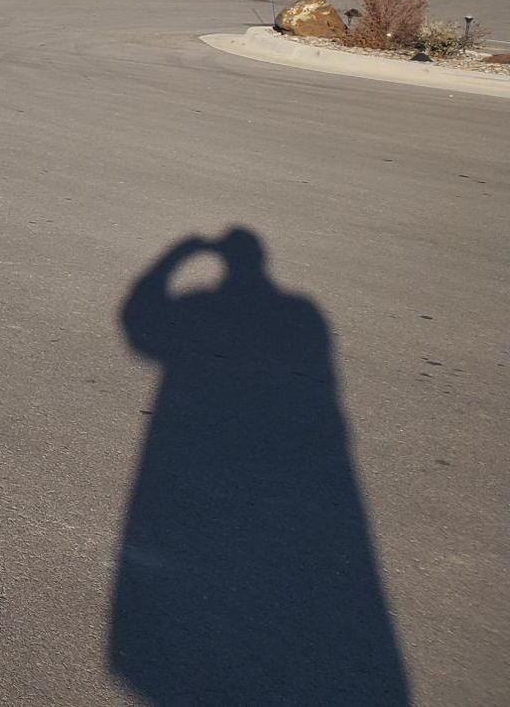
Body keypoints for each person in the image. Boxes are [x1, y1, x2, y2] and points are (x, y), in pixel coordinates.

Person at [109, 229, 408, 705]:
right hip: (287, 455)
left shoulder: (200, 308)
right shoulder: (301, 315)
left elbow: (138, 324)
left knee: (204, 552)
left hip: (196, 446)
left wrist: (175, 256)